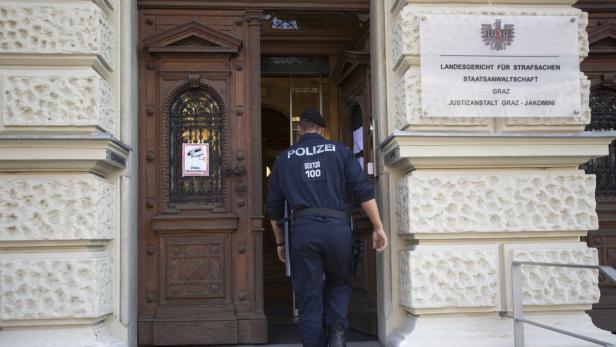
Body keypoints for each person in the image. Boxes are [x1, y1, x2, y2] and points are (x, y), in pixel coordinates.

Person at [266, 108, 388, 347]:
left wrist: (280, 242)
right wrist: (378, 226)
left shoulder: (284, 158)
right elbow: (363, 190)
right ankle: (337, 332)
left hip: (303, 231)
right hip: (337, 229)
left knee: (309, 294)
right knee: (338, 284)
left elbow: (273, 207)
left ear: (300, 129)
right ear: (322, 129)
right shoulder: (341, 151)